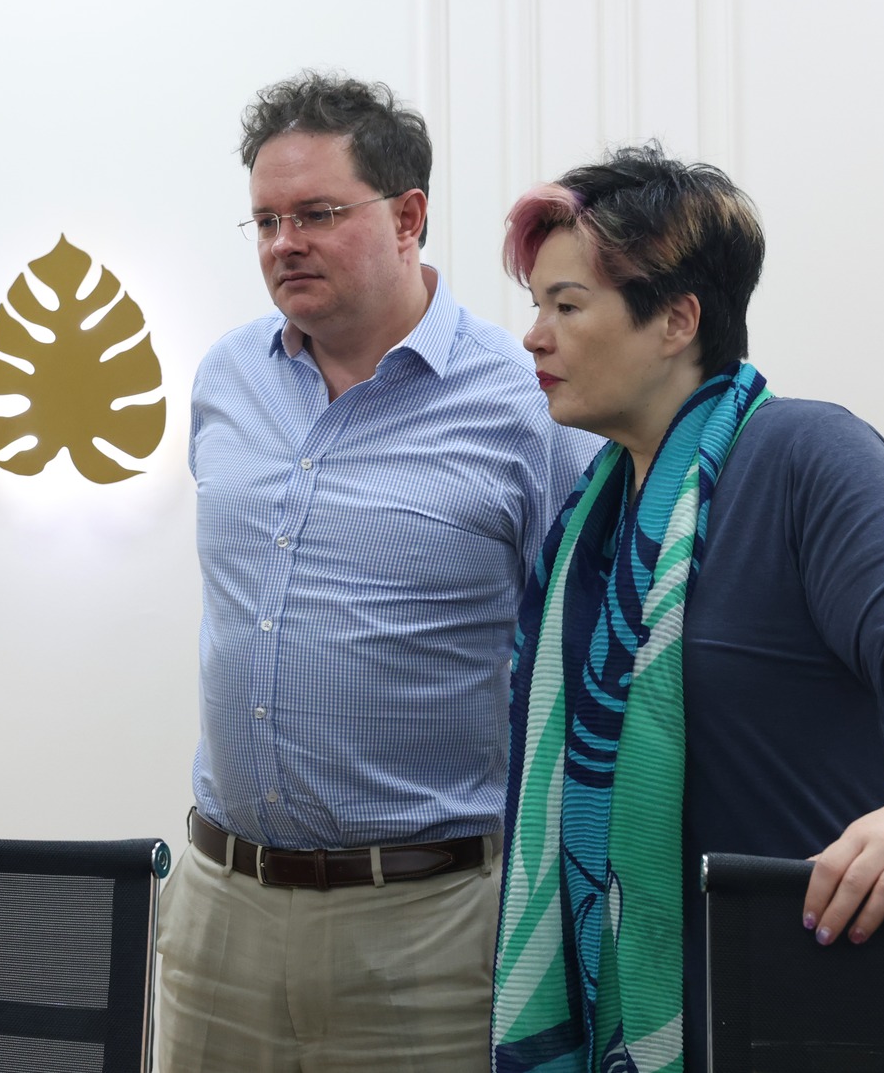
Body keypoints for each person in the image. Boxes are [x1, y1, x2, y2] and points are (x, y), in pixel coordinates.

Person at [490, 145, 884, 1071]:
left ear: (677, 319)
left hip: (865, 990)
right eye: (536, 305)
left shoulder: (806, 453)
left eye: (566, 306)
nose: (534, 335)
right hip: (694, 1004)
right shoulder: (590, 525)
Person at [158, 73, 595, 1072]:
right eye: (266, 219)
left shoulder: (525, 402)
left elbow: (590, 652)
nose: (284, 242)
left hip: (428, 929)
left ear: (407, 217)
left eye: (316, 213)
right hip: (220, 913)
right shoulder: (226, 376)